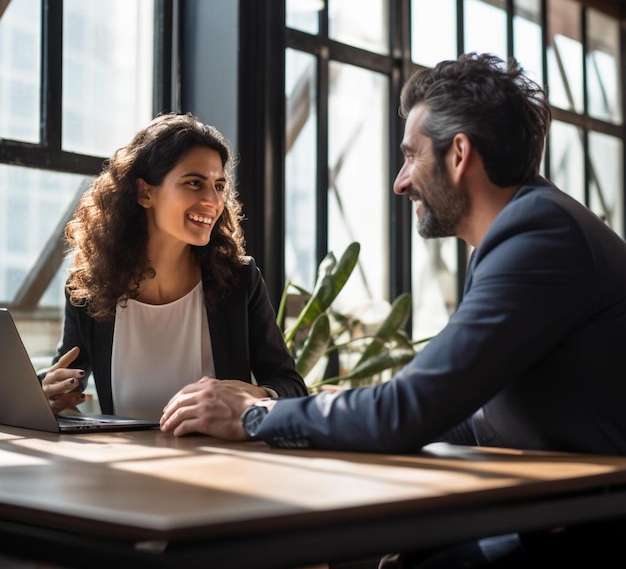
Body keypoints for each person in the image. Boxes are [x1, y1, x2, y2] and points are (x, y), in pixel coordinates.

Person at [159, 53, 626, 566]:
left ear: (460, 154)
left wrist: (255, 415)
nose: (400, 182)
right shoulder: (529, 229)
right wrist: (342, 412)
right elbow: (473, 416)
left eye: (411, 156)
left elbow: (413, 409)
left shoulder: (537, 236)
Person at [41, 112, 307, 424]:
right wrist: (46, 392)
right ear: (144, 192)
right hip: (121, 469)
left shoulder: (239, 281)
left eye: (219, 185)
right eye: (194, 183)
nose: (212, 200)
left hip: (224, 467)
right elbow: (61, 382)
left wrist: (256, 396)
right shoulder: (90, 287)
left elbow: (293, 388)